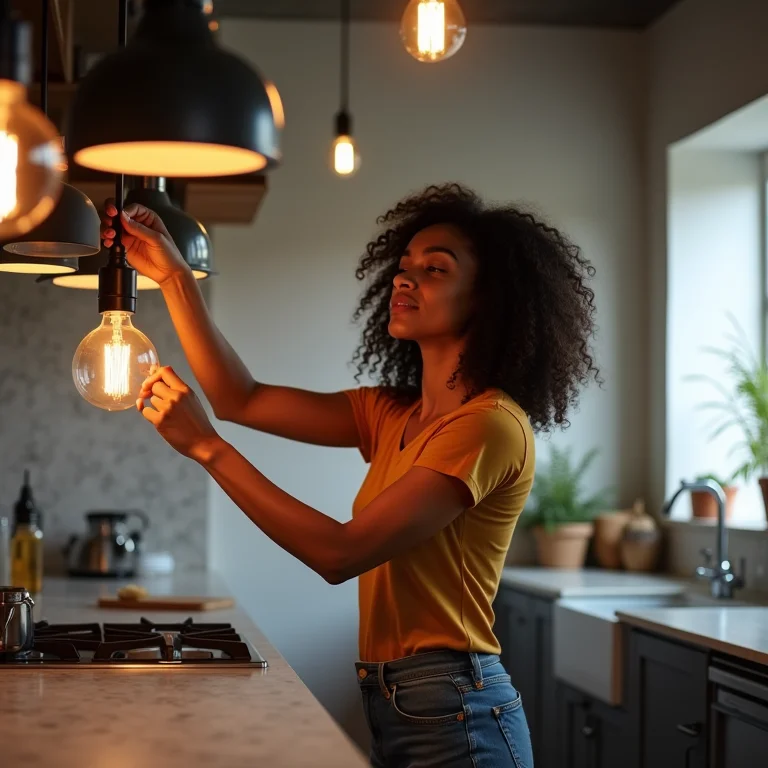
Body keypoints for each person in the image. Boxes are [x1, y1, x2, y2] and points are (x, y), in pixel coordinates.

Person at [101, 183, 599, 768]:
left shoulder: (490, 427)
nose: (405, 279)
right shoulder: (393, 413)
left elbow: (340, 553)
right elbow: (240, 397)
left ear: (489, 300)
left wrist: (209, 449)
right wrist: (174, 278)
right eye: (405, 266)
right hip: (402, 700)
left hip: (459, 710)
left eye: (434, 269)